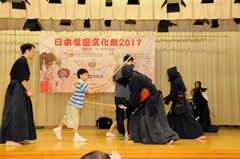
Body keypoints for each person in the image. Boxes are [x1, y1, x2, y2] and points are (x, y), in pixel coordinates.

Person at [120, 64, 179, 144]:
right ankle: (137, 138)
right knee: (139, 118)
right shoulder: (137, 75)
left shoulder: (135, 79)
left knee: (154, 121)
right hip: (150, 99)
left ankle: (169, 138)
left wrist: (128, 105)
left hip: (152, 100)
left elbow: (135, 97)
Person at [53, 68, 106, 142]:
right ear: (80, 75)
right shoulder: (80, 82)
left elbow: (90, 92)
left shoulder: (82, 83)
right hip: (73, 105)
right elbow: (90, 87)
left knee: (66, 118)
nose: (87, 76)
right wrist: (101, 84)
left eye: (87, 75)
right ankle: (76, 136)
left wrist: (97, 90)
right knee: (75, 120)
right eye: (86, 75)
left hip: (73, 104)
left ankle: (58, 129)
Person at [0, 43, 37, 146]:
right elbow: (22, 78)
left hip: (19, 89)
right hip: (16, 88)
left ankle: (19, 138)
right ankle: (10, 139)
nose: (33, 54)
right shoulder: (21, 61)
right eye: (33, 51)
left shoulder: (23, 61)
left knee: (22, 113)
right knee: (15, 113)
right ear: (27, 51)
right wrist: (28, 90)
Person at [164, 66, 206, 140]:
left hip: (180, 104)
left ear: (171, 73)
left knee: (186, 119)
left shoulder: (175, 81)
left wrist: (166, 99)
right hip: (181, 103)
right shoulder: (178, 80)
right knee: (173, 119)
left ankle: (199, 134)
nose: (166, 76)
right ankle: (172, 135)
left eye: (167, 74)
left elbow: (173, 94)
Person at [109, 54, 133, 140]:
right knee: (129, 115)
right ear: (130, 61)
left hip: (118, 96)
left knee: (119, 115)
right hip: (128, 96)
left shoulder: (116, 68)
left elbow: (114, 81)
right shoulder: (131, 69)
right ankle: (129, 133)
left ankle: (121, 134)